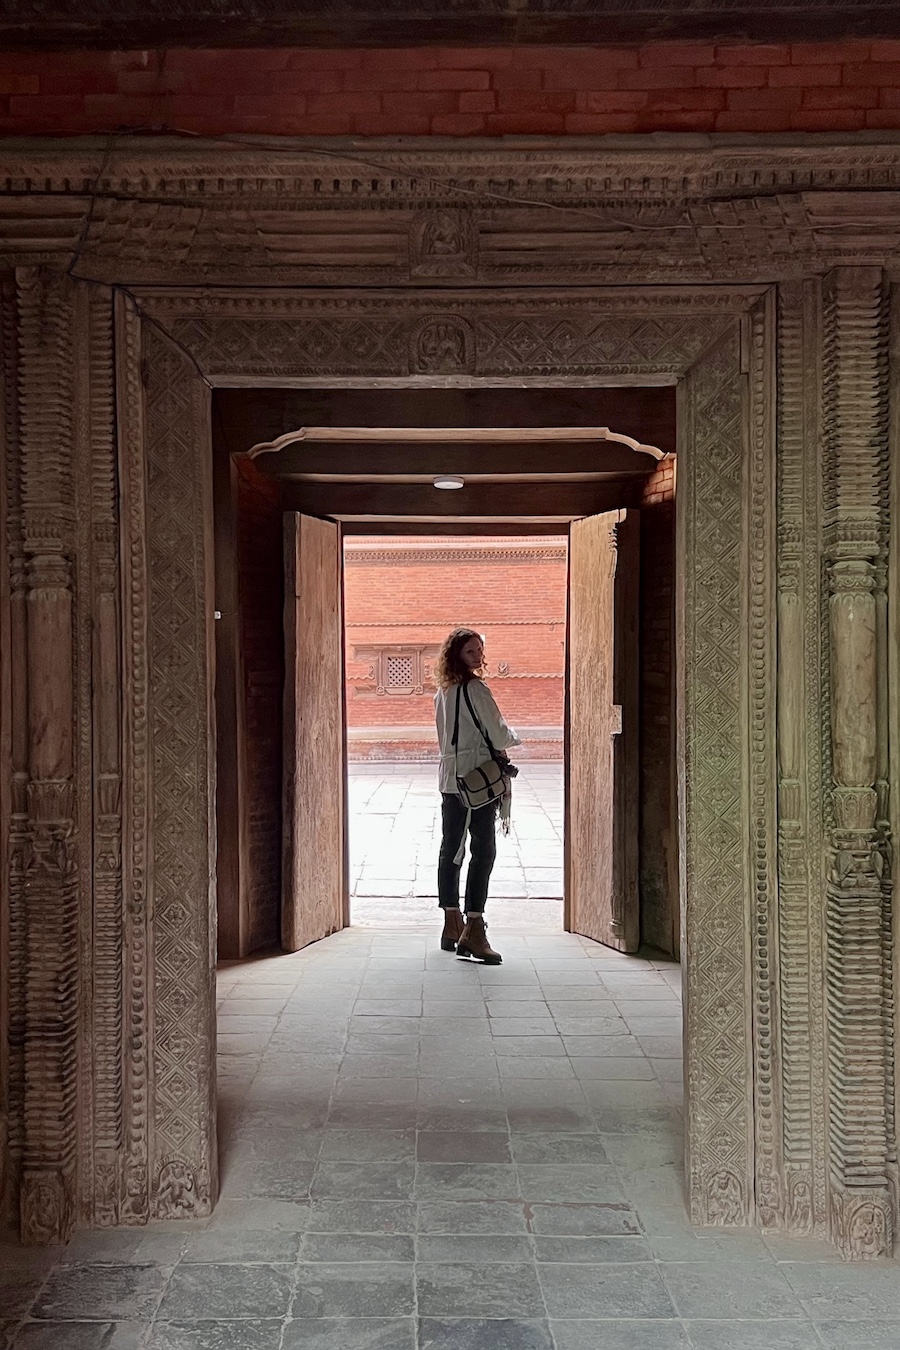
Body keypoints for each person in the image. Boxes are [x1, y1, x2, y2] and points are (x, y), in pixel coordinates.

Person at [433, 627, 521, 964]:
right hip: (477, 781)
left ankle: (451, 923)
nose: (479, 656)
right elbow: (499, 734)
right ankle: (475, 927)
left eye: (480, 650)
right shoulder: (476, 689)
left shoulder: (442, 692)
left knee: (451, 849)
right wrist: (515, 736)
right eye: (472, 652)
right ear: (458, 655)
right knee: (483, 850)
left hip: (450, 780)